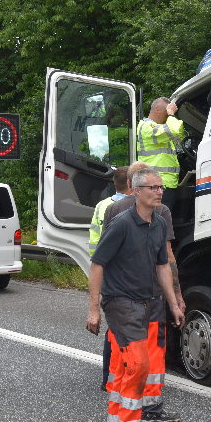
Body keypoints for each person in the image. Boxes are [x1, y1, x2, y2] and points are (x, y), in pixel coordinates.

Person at [86, 168, 185, 422]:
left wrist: (174, 302)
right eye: (153, 187)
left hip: (147, 303)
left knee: (127, 369)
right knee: (139, 366)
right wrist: (93, 309)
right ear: (137, 191)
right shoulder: (121, 223)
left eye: (161, 187)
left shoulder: (157, 224)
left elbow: (162, 266)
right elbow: (97, 265)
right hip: (121, 304)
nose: (160, 191)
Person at [88, 166, 129, 391]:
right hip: (121, 273)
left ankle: (109, 378)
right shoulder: (130, 207)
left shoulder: (102, 205)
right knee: (120, 326)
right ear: (132, 184)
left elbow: (94, 239)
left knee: (114, 325)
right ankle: (117, 377)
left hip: (104, 270)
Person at [136, 97, 184, 211]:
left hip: (164, 185)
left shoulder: (160, 129)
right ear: (157, 109)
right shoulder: (146, 127)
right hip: (156, 185)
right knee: (158, 224)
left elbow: (179, 134)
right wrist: (172, 114)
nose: (167, 116)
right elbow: (174, 130)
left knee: (163, 222)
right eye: (166, 112)